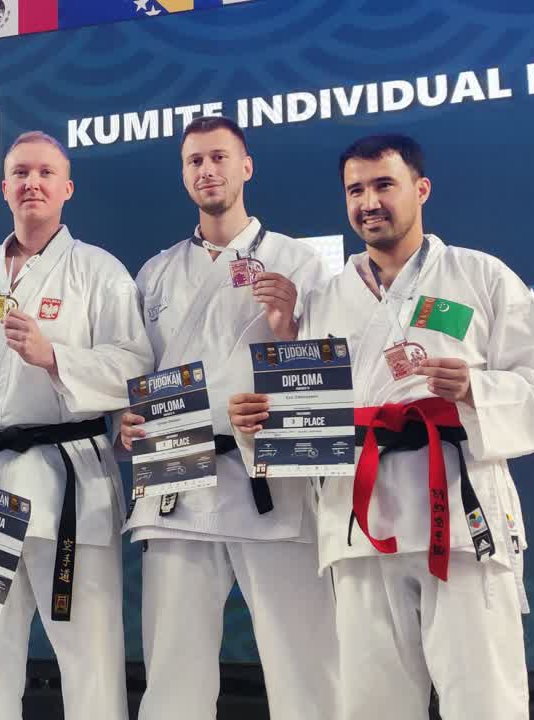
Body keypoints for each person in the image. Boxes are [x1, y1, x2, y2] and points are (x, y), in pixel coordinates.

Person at [230, 134, 534, 719]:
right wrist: (257, 424)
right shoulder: (326, 298)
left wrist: (476, 389)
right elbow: (312, 421)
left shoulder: (481, 276)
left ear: (421, 188)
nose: (369, 202)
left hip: (461, 515)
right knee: (371, 703)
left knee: (484, 697)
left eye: (384, 185)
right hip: (360, 523)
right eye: (355, 190)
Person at [0, 131, 152, 720]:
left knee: (89, 655)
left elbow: (134, 365)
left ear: (67, 188)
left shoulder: (99, 271)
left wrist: (55, 358)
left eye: (46, 173)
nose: (33, 183)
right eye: (21, 173)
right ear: (4, 187)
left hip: (69, 481)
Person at [118, 116, 339, 719]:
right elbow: (135, 372)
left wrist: (288, 328)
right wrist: (127, 419)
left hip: (272, 481)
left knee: (307, 663)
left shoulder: (299, 261)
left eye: (218, 157)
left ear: (246, 166)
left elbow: (327, 387)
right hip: (176, 480)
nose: (206, 170)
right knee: (172, 672)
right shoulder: (156, 272)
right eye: (194, 160)